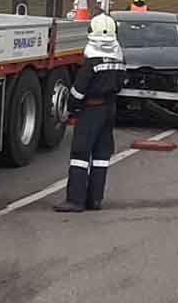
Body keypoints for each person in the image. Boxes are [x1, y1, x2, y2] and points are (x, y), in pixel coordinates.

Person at [54, 14, 126, 213]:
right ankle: (95, 199)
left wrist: (70, 108)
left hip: (91, 110)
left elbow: (78, 91)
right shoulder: (119, 58)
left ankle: (75, 200)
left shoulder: (91, 62)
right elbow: (121, 84)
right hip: (109, 109)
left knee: (80, 154)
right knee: (102, 155)